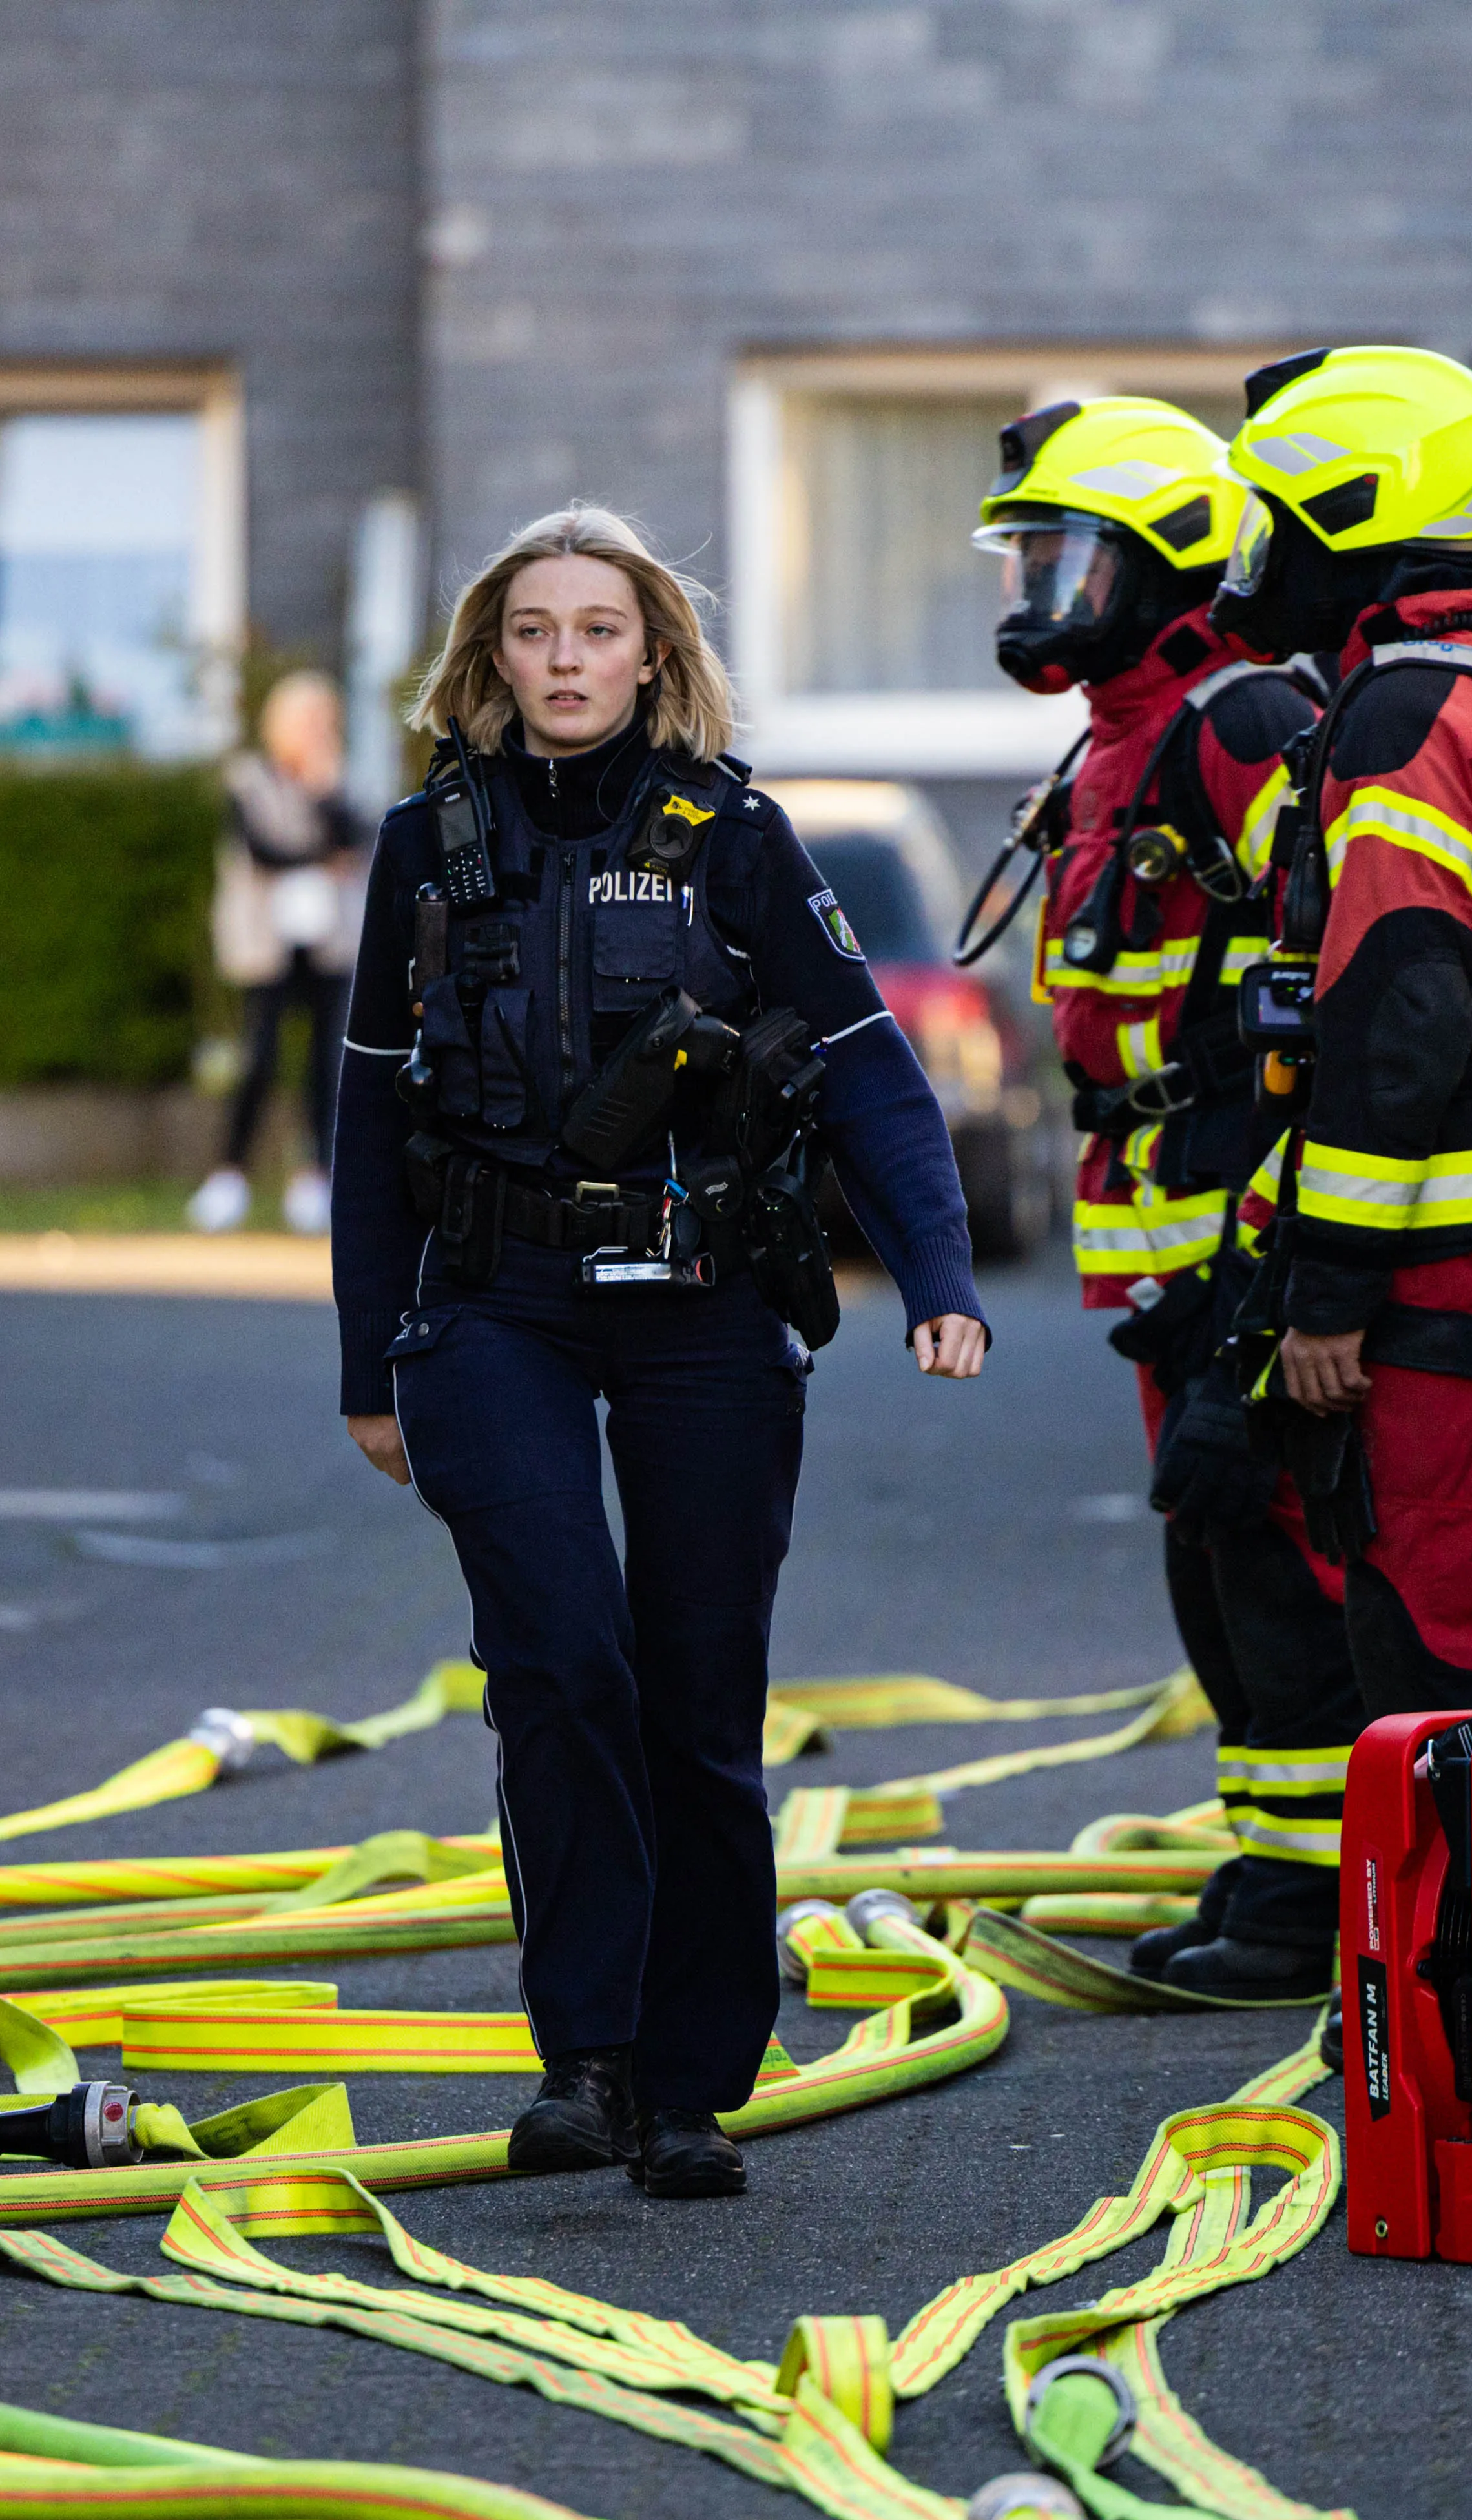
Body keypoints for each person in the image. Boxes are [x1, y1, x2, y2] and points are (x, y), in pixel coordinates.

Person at [331, 505, 988, 2199]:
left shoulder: (740, 835)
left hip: (702, 1304)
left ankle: (693, 2082)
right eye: (535, 632)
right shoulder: (427, 841)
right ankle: (589, 2061)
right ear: (493, 655)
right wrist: (364, 1361)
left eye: (599, 631)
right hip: (494, 1310)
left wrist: (938, 1275)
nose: (566, 661)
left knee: (700, 1693)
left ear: (652, 656)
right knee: (561, 1664)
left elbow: (867, 1069)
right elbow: (362, 1116)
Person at [1210, 348, 1472, 1841]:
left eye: (1276, 523)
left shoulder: (1403, 722)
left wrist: (1330, 1287)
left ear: (1358, 516)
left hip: (1442, 1266)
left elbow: (1397, 1012)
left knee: (1443, 1655)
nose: (1255, 565)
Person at [974, 397, 1352, 2002]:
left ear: (1173, 561)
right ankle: (1275, 1851)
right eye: (1034, 559)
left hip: (1232, 1215)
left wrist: (1259, 1266)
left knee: (1280, 1549)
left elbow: (1339, 969)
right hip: (1152, 1221)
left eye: (1071, 559)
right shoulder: (1119, 737)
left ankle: (1325, 1890)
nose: (1043, 592)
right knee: (1215, 1554)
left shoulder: (1243, 722)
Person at [191, 670, 364, 1234]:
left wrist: (323, 789)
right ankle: (229, 1176)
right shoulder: (248, 780)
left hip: (327, 940)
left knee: (324, 1062)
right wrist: (317, 856)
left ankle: (316, 1178)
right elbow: (261, 849)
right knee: (259, 1058)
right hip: (267, 942)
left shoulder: (338, 781)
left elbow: (355, 837)